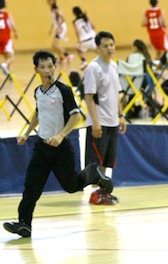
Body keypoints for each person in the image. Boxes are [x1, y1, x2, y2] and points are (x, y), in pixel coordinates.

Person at [3, 50, 113, 238]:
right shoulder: (38, 92)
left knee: (71, 186)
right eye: (43, 67)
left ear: (55, 66)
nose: (47, 70)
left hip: (61, 149)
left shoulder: (63, 90)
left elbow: (77, 116)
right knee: (31, 186)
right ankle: (24, 224)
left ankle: (93, 173)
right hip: (42, 148)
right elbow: (39, 113)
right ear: (36, 69)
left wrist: (61, 135)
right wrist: (26, 133)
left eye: (50, 66)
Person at [83, 31, 126, 205]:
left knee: (108, 160)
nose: (110, 48)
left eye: (112, 45)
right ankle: (94, 193)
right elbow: (89, 96)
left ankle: (104, 191)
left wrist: (121, 115)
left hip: (113, 121)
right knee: (96, 161)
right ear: (98, 48)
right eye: (106, 45)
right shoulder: (94, 68)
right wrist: (95, 122)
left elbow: (116, 93)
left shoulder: (114, 66)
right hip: (99, 122)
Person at [72, 6, 96, 70]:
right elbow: (94, 27)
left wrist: (79, 41)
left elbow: (77, 32)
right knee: (98, 51)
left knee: (78, 50)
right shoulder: (86, 18)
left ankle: (84, 61)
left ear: (74, 13)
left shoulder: (75, 22)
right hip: (93, 38)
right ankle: (104, 60)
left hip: (84, 40)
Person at [0, 0, 18, 75]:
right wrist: (16, 32)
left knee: (7, 56)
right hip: (6, 38)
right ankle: (4, 64)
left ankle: (9, 74)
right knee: (11, 57)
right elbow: (13, 25)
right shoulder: (7, 14)